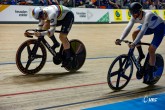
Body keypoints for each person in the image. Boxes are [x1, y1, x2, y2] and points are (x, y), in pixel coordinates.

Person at [115, 2, 165, 82]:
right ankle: (141, 54)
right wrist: (120, 39)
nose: (133, 15)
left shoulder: (148, 15)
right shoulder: (134, 16)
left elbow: (142, 31)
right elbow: (128, 27)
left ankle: (151, 74)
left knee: (151, 49)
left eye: (135, 13)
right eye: (132, 13)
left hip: (160, 27)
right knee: (134, 33)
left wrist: (134, 43)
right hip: (150, 27)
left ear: (140, 11)